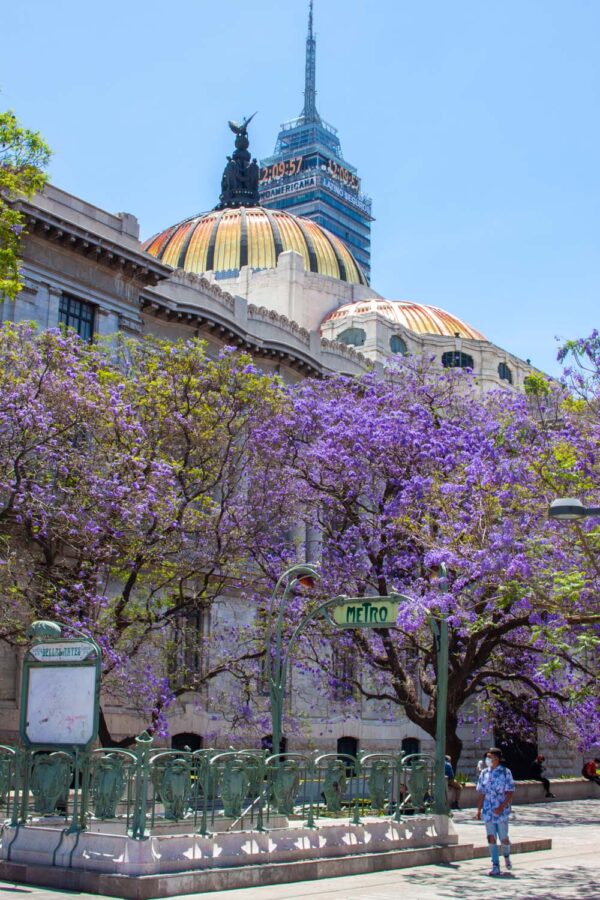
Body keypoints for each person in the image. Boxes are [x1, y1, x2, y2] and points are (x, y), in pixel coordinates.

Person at [476, 747, 515, 877]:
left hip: (501, 810)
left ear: (496, 758)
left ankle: (506, 855)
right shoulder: (484, 773)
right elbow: (481, 792)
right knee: (491, 838)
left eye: (490, 757)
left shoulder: (505, 772)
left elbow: (510, 792)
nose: (487, 759)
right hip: (488, 810)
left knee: (503, 838)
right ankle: (495, 865)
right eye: (487, 757)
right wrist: (478, 810)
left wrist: (502, 807)